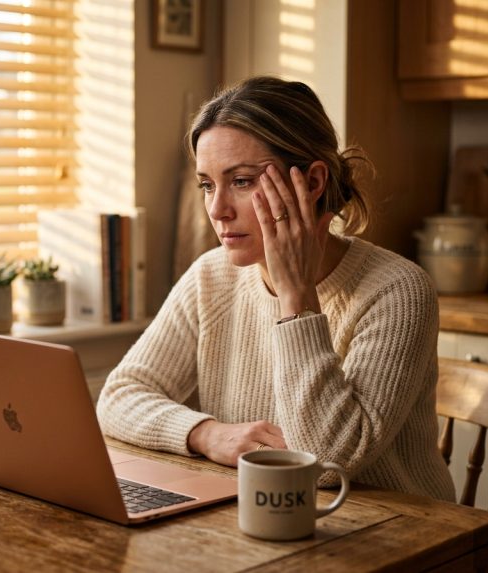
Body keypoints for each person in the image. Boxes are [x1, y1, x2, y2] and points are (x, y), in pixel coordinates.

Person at [96, 76, 455, 501]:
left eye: (242, 181)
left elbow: (325, 464)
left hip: (399, 535)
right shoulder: (210, 276)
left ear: (314, 182)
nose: (217, 209)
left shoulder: (397, 290)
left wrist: (296, 294)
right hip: (262, 513)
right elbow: (118, 397)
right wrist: (205, 434)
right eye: (208, 184)